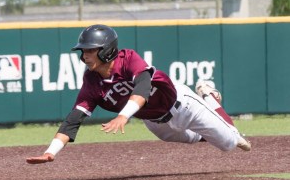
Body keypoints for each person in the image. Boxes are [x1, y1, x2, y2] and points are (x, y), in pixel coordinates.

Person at [26, 24, 251, 164]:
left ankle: (209, 98)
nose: (85, 55)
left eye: (90, 50)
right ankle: (209, 129)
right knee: (193, 138)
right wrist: (50, 152)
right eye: (83, 51)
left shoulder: (128, 58)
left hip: (181, 104)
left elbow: (142, 86)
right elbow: (75, 118)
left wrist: (123, 116)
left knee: (230, 142)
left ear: (107, 50)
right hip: (155, 123)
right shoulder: (92, 82)